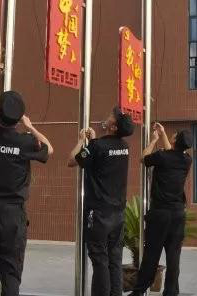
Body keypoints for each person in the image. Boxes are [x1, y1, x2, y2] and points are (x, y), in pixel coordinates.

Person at [0, 91, 53, 296]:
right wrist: (30, 126)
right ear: (19, 119)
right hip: (12, 217)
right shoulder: (25, 142)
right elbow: (49, 149)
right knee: (10, 275)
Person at [68, 107, 134, 296]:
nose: (109, 116)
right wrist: (93, 142)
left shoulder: (98, 146)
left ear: (113, 127)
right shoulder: (124, 146)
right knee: (115, 259)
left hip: (99, 214)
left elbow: (72, 160)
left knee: (100, 261)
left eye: (112, 116)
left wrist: (81, 141)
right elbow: (103, 154)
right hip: (118, 213)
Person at [130, 123, 192, 296]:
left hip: (160, 214)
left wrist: (153, 140)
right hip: (178, 215)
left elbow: (143, 158)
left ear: (175, 140)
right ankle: (171, 292)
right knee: (173, 257)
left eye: (175, 134)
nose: (172, 134)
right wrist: (163, 133)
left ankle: (139, 291)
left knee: (151, 255)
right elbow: (171, 153)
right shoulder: (186, 159)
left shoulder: (162, 156)